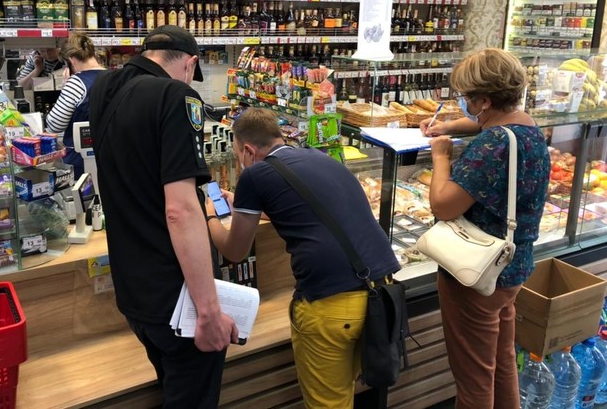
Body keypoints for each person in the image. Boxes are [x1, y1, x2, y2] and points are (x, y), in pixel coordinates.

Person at [205, 107, 400, 409]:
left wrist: (209, 217)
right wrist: (245, 205)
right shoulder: (319, 157)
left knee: (328, 404)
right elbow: (304, 207)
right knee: (348, 392)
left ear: (248, 150)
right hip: (381, 293)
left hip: (330, 307)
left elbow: (235, 251)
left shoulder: (255, 174)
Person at [88, 25, 237, 409]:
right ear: (190, 64)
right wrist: (209, 312)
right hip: (177, 300)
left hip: (134, 293)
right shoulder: (176, 96)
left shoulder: (105, 88)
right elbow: (180, 209)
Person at [419, 48, 550, 409]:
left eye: (466, 97)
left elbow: (443, 205)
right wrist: (449, 126)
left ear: (484, 101)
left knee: (473, 380)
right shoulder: (526, 127)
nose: (464, 103)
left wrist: (441, 156)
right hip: (511, 266)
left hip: (475, 275)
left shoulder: (492, 146)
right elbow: (487, 125)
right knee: (502, 362)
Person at [45, 32, 105, 179]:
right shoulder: (116, 77)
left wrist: (66, 85)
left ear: (71, 61)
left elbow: (55, 125)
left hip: (81, 160)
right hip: (110, 154)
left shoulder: (76, 82)